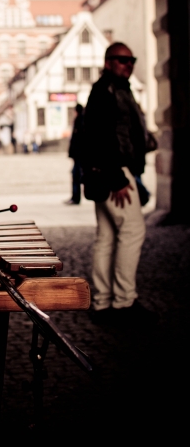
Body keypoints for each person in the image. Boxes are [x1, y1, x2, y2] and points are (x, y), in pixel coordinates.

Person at [82, 42, 158, 327]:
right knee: (133, 231)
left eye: (131, 60)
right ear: (108, 62)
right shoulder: (107, 91)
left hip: (107, 173)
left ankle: (103, 302)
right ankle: (123, 301)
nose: (129, 64)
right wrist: (117, 177)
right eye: (122, 60)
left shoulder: (113, 89)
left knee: (107, 237)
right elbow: (100, 137)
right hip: (114, 174)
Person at [65, 103, 85, 205]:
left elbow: (77, 140)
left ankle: (76, 197)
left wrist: (73, 153)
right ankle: (75, 196)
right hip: (78, 155)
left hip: (78, 155)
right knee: (75, 175)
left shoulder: (79, 121)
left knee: (76, 175)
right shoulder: (81, 120)